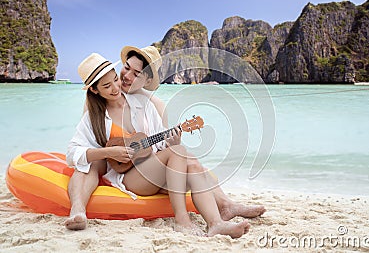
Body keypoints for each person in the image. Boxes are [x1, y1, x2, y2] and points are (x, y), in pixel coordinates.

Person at [65, 52, 253, 238]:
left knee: (192, 164)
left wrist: (172, 142)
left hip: (149, 169)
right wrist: (110, 151)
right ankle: (182, 220)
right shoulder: (94, 116)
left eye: (115, 79)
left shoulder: (143, 104)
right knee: (179, 153)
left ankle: (216, 223)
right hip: (127, 177)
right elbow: (72, 153)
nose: (116, 87)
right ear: (94, 90)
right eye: (107, 86)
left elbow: (159, 142)